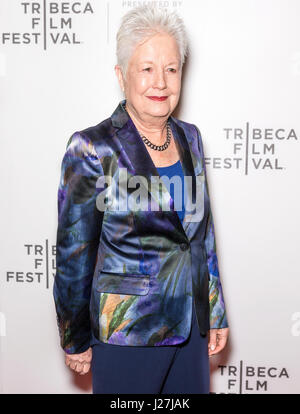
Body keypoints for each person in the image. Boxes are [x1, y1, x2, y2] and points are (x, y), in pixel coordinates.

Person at [53, 5, 229, 394]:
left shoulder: (191, 138)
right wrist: (74, 336)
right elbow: (73, 256)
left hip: (191, 331)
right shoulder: (92, 148)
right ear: (122, 76)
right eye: (146, 68)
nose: (160, 82)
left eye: (171, 68)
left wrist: (214, 311)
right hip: (129, 333)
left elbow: (201, 238)